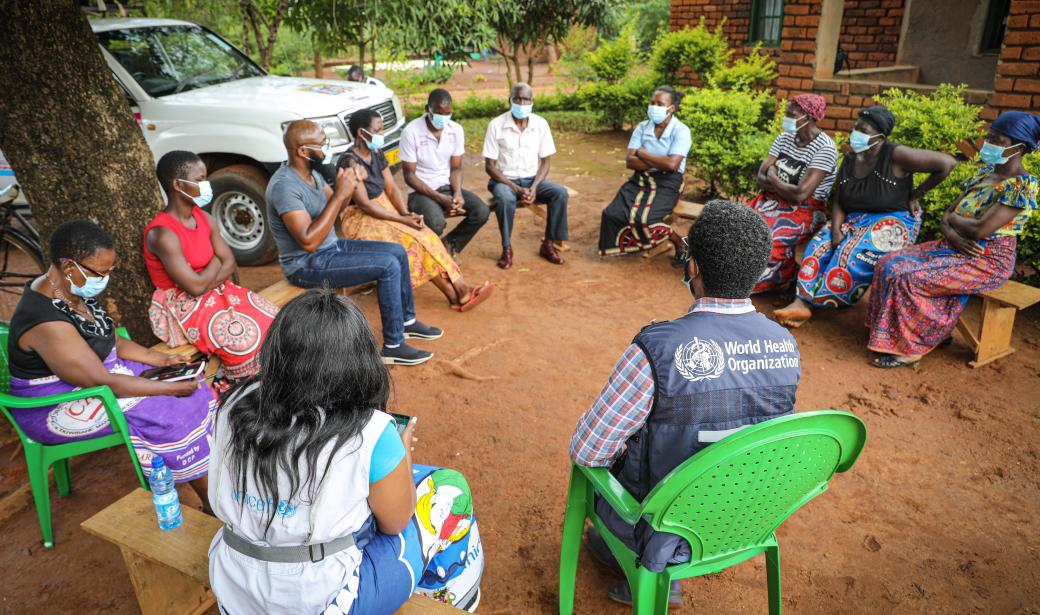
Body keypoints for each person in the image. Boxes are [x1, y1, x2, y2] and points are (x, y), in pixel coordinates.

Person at [570, 200, 800, 606]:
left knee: (604, 498)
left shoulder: (656, 350)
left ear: (692, 267)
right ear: (759, 270)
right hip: (743, 517)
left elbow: (588, 451)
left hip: (662, 524)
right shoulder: (785, 345)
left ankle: (652, 570)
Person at [208, 289, 484, 614]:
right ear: (358, 361)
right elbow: (395, 524)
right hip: (318, 599)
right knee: (450, 487)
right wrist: (404, 453)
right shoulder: (372, 430)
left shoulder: (236, 403)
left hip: (234, 583)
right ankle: (454, 599)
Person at [7, 220, 215, 505]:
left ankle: (203, 475)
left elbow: (109, 339)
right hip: (54, 403)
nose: (106, 278)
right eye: (102, 272)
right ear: (70, 267)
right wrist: (170, 389)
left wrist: (162, 359)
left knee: (190, 384)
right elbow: (100, 381)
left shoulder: (72, 290)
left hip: (96, 375)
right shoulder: (45, 321)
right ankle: (210, 501)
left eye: (109, 270)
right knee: (168, 409)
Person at [866, 111, 1040, 368]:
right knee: (888, 262)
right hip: (953, 245)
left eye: (998, 141)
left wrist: (956, 224)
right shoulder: (986, 176)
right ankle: (898, 334)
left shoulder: (1021, 187)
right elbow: (947, 216)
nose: (989, 145)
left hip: (985, 259)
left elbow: (979, 230)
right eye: (989, 138)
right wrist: (953, 232)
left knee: (908, 276)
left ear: (1019, 147)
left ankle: (913, 346)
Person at [265, 119, 441, 366]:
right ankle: (393, 345)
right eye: (322, 144)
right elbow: (307, 242)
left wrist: (348, 186)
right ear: (303, 151)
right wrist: (339, 193)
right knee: (387, 265)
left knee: (397, 251)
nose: (327, 148)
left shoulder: (312, 173)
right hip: (305, 264)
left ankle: (406, 322)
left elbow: (337, 207)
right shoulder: (285, 186)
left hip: (330, 248)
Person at [772, 106, 956, 326]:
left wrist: (917, 194)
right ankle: (802, 303)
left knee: (849, 256)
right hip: (855, 218)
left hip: (893, 220)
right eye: (855, 127)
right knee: (819, 246)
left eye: (862, 129)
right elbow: (839, 199)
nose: (855, 133)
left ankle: (820, 300)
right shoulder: (851, 159)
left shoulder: (895, 154)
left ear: (879, 135)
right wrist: (837, 230)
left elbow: (947, 164)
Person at [339, 108, 494, 312]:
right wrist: (401, 220)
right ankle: (457, 292)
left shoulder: (376, 153)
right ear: (361, 133)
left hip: (385, 210)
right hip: (361, 218)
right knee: (411, 242)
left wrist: (404, 213)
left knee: (426, 235)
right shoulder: (349, 162)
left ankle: (459, 290)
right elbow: (365, 204)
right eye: (377, 130)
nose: (381, 134)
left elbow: (392, 188)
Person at [145, 151, 279, 386]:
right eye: (199, 180)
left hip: (217, 291)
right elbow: (194, 288)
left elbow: (230, 261)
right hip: (181, 304)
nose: (206, 185)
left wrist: (210, 271)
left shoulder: (204, 217)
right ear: (177, 185)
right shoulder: (162, 234)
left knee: (274, 320)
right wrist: (216, 263)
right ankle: (232, 388)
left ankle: (271, 381)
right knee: (241, 342)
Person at [749, 94, 839, 293]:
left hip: (806, 210)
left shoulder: (825, 148)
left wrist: (773, 177)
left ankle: (782, 276)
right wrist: (783, 186)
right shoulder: (784, 137)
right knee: (739, 227)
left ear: (807, 117)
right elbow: (760, 177)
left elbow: (801, 195)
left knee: (766, 240)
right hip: (771, 201)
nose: (786, 118)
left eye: (791, 114)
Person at [483, 82, 569, 269]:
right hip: (504, 181)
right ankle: (507, 249)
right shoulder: (496, 125)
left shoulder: (540, 124)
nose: (521, 103)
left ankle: (548, 244)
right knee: (505, 199)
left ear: (532, 101)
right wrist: (516, 188)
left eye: (526, 99)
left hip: (532, 180)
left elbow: (545, 162)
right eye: (517, 99)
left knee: (560, 193)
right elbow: (490, 167)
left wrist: (534, 187)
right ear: (510, 100)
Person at [599, 86, 692, 256]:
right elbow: (630, 161)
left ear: (671, 108)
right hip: (640, 180)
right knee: (611, 214)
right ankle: (636, 245)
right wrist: (659, 161)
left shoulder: (681, 131)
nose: (654, 107)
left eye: (660, 104)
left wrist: (643, 153)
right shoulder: (642, 127)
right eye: (652, 103)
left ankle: (677, 240)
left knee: (646, 220)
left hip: (668, 182)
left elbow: (672, 165)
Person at [401, 88, 490, 256]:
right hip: (421, 191)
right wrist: (440, 198)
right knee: (436, 223)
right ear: (428, 109)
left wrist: (457, 193)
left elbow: (456, 168)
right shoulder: (411, 131)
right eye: (439, 113)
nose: (444, 118)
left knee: (482, 211)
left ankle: (448, 246)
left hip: (446, 186)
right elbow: (409, 176)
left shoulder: (455, 130)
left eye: (448, 113)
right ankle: (426, 256)